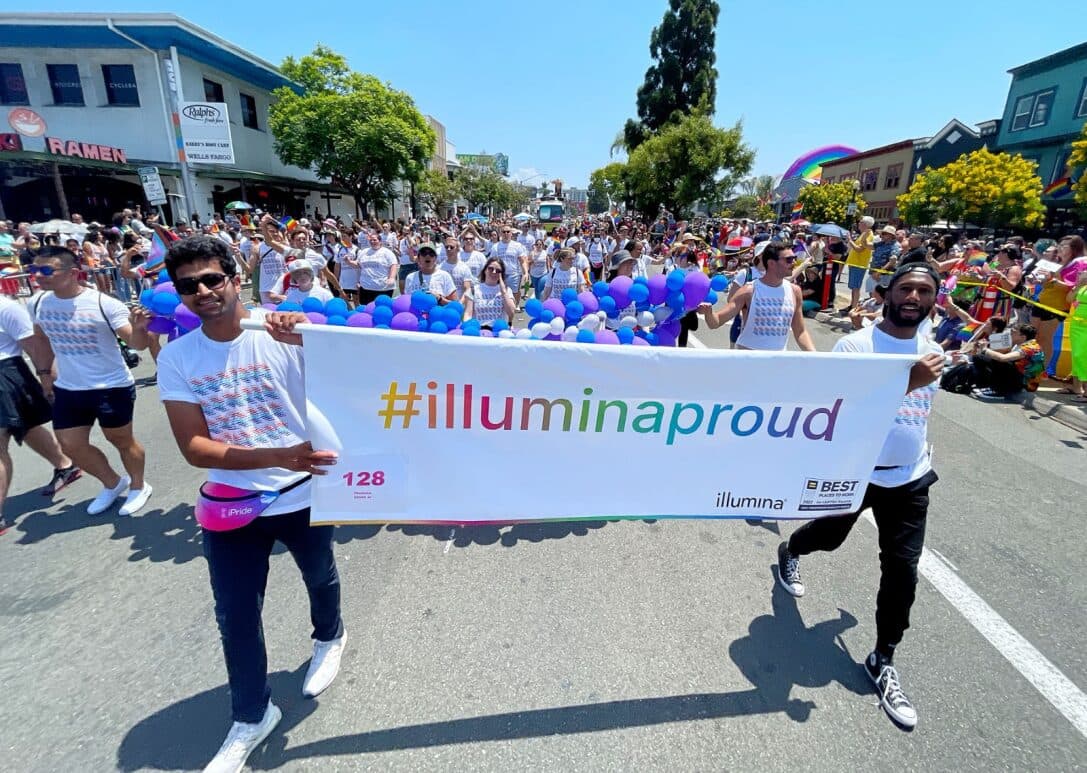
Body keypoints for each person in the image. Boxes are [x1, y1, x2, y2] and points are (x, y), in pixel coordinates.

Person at [156, 236, 345, 773]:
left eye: (213, 278)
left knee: (319, 574)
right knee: (235, 614)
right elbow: (195, 447)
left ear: (235, 278)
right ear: (180, 294)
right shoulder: (177, 357)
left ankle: (329, 635)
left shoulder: (282, 331)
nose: (203, 291)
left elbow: (353, 374)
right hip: (234, 504)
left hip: (303, 492)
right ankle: (252, 715)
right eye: (189, 285)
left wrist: (310, 340)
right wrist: (279, 453)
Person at [777, 263, 945, 729]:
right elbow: (839, 414)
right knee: (829, 538)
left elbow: (921, 414)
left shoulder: (933, 349)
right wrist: (906, 382)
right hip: (855, 474)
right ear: (886, 293)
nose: (914, 297)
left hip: (910, 480)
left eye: (924, 291)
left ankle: (883, 658)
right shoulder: (856, 345)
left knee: (902, 570)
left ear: (934, 300)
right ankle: (792, 548)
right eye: (906, 288)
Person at [27, 246, 152, 516]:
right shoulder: (37, 302)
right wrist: (45, 375)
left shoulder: (103, 303)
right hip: (69, 388)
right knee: (71, 445)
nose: (39, 275)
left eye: (47, 270)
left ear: (73, 273)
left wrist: (141, 328)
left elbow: (137, 344)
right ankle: (112, 483)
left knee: (121, 440)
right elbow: (42, 339)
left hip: (111, 386)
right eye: (35, 270)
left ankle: (139, 486)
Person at [0, 296, 81, 534]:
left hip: (6, 374)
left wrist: (48, 379)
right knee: (26, 425)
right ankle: (65, 465)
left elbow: (35, 346)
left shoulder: (6, 308)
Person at [699, 242, 816, 352]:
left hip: (778, 360)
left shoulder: (795, 291)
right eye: (789, 260)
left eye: (794, 259)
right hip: (749, 360)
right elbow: (716, 322)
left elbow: (800, 332)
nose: (794, 263)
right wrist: (709, 313)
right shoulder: (749, 291)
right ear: (771, 263)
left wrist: (817, 357)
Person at [968, 322, 1044, 399]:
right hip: (1019, 377)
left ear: (1023, 337)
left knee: (999, 361)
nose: (1010, 333)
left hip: (1025, 383)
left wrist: (984, 349)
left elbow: (1003, 358)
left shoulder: (1030, 348)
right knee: (980, 358)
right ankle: (986, 386)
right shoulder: (1022, 343)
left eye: (1013, 332)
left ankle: (998, 391)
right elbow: (999, 353)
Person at [464, 257, 516, 328]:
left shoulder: (507, 290)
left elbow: (511, 313)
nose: (494, 272)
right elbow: (468, 314)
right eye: (491, 269)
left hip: (499, 331)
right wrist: (466, 328)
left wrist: (503, 292)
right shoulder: (474, 290)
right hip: (479, 331)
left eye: (498, 271)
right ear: (485, 270)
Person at [355, 231, 398, 305]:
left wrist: (391, 278)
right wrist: (349, 262)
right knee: (367, 309)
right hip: (365, 287)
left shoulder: (387, 252)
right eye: (371, 240)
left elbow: (393, 265)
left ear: (380, 241)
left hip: (383, 288)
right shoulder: (363, 252)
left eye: (375, 240)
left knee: (382, 309)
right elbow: (358, 264)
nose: (372, 241)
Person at [493, 226, 529, 311]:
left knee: (515, 292)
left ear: (511, 233)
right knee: (501, 292)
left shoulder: (517, 245)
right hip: (500, 274)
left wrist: (526, 273)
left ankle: (515, 305)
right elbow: (493, 262)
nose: (506, 234)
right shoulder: (496, 246)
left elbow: (522, 260)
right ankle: (504, 307)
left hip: (514, 273)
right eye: (504, 232)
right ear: (501, 233)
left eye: (508, 232)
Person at [844, 216, 875, 310]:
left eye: (860, 222)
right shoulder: (863, 234)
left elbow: (859, 249)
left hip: (859, 264)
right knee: (853, 287)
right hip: (854, 263)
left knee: (856, 287)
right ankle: (852, 305)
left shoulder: (868, 234)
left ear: (865, 224)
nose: (858, 223)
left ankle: (854, 308)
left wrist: (850, 240)